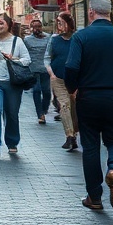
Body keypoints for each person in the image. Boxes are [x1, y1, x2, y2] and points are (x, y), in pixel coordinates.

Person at [65, 0, 113, 212]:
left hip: (88, 97)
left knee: (91, 145)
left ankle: (94, 197)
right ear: (110, 13)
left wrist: (73, 89)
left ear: (91, 12)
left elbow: (71, 67)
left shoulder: (81, 37)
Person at [0, 14, 31, 157]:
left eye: (1, 23)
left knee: (12, 113)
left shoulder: (18, 41)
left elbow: (27, 60)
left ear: (9, 24)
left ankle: (12, 141)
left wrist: (13, 58)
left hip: (13, 83)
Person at [46, 11, 78, 151]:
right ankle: (69, 136)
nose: (59, 25)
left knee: (74, 108)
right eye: (58, 22)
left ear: (69, 24)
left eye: (62, 22)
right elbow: (47, 58)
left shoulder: (77, 39)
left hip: (75, 80)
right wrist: (51, 73)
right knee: (64, 106)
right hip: (58, 78)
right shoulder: (54, 39)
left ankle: (74, 134)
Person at [24, 16, 52, 124]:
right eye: (34, 27)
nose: (37, 29)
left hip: (45, 69)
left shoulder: (48, 38)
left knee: (46, 92)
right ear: (31, 28)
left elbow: (51, 52)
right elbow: (24, 54)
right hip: (33, 69)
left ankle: (44, 110)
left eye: (39, 26)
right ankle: (40, 114)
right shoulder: (27, 40)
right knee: (36, 90)